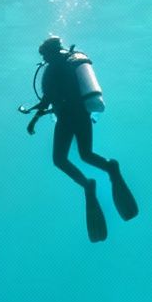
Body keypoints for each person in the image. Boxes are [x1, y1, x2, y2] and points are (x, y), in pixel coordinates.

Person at [21, 35, 138, 242]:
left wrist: (33, 117)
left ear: (51, 51)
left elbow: (47, 100)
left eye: (45, 54)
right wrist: (34, 119)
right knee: (82, 155)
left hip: (71, 117)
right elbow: (49, 100)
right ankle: (106, 172)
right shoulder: (64, 65)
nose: (45, 58)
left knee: (66, 158)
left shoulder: (56, 68)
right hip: (76, 116)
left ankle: (94, 180)